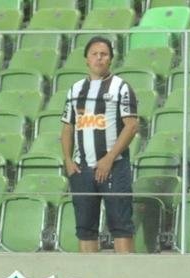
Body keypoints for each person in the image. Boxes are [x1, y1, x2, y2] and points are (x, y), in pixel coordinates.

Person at [60, 36, 140, 254]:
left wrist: (109, 158)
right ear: (86, 59)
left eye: (104, 54)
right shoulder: (75, 90)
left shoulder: (121, 87)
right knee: (85, 228)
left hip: (114, 166)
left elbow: (131, 126)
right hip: (81, 168)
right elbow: (67, 127)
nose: (99, 58)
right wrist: (68, 161)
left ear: (111, 59)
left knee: (121, 226)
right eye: (94, 54)